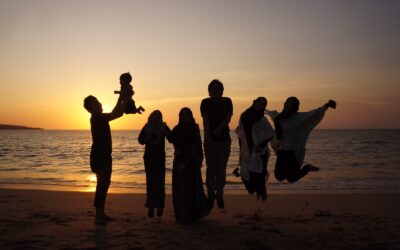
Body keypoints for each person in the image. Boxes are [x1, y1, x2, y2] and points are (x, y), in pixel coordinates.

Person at [265, 97, 337, 183]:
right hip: (282, 151)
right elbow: (268, 112)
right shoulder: (278, 117)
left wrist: (326, 105)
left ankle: (307, 168)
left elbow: (314, 113)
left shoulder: (299, 117)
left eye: (291, 104)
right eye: (287, 103)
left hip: (295, 151)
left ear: (295, 106)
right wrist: (261, 109)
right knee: (279, 177)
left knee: (291, 178)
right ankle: (305, 169)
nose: (288, 105)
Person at [83, 94, 128, 224]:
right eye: (95, 103)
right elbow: (118, 114)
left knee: (103, 184)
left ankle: (100, 213)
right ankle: (99, 215)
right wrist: (125, 97)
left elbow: (115, 112)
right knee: (103, 184)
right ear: (91, 108)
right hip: (100, 156)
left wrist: (121, 98)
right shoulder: (97, 118)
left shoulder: (98, 117)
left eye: (98, 101)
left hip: (102, 156)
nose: (99, 103)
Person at [171, 107, 211, 224]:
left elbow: (198, 144)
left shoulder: (195, 128)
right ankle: (184, 215)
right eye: (182, 115)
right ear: (180, 117)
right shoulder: (177, 129)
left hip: (193, 162)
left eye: (187, 115)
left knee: (194, 188)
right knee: (182, 189)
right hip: (181, 162)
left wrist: (200, 159)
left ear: (190, 116)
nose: (185, 117)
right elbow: (172, 140)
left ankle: (195, 214)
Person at [200, 79, 233, 209]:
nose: (216, 91)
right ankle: (210, 195)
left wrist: (219, 128)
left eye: (218, 89)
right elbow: (205, 119)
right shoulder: (205, 102)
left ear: (222, 90)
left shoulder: (227, 101)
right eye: (213, 89)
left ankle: (219, 193)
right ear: (209, 91)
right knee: (211, 168)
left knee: (221, 168)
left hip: (224, 140)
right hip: (210, 140)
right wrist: (208, 136)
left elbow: (228, 117)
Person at [236, 97, 274, 201]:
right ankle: (258, 190)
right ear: (255, 102)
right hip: (246, 150)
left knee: (259, 175)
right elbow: (240, 133)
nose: (261, 105)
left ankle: (262, 193)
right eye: (259, 102)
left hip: (260, 152)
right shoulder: (244, 116)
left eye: (263, 104)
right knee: (247, 180)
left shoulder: (262, 118)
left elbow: (271, 133)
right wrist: (241, 150)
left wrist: (261, 145)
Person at [138, 110, 172, 218]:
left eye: (158, 116)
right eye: (154, 116)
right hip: (149, 158)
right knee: (150, 182)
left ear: (161, 118)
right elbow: (140, 140)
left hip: (160, 158)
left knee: (160, 183)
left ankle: (160, 206)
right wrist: (146, 139)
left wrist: (166, 132)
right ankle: (151, 207)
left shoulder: (163, 126)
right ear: (150, 117)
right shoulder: (147, 126)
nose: (155, 118)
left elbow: (171, 139)